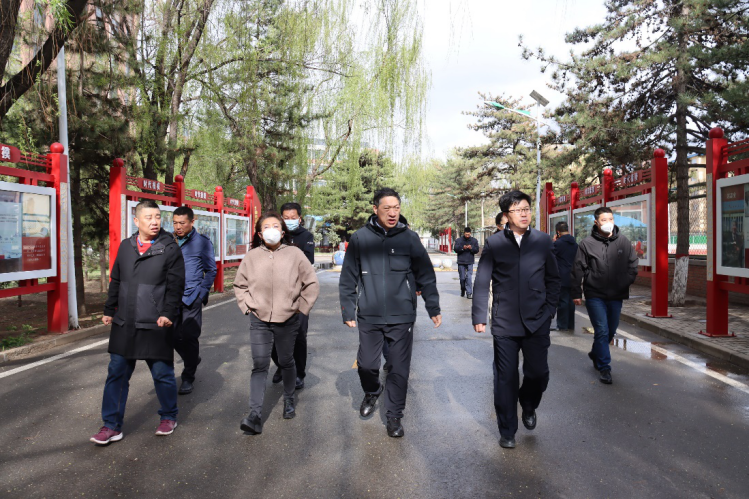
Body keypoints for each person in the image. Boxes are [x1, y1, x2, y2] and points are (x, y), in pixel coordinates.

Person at [339, 188, 441, 438]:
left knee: (398, 368)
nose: (393, 213)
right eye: (387, 208)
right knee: (366, 365)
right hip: (369, 314)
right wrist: (348, 310)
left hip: (402, 315)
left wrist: (433, 306)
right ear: (375, 209)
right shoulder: (360, 238)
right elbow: (348, 276)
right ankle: (373, 391)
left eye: (396, 208)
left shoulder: (410, 238)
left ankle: (394, 416)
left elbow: (426, 274)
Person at [90, 200, 185, 445]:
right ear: (136, 221)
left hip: (156, 322)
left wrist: (168, 313)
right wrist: (109, 309)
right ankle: (111, 425)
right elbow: (116, 280)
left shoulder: (169, 248)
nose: (154, 222)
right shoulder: (126, 246)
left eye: (157, 217)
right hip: (125, 322)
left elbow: (176, 286)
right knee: (116, 374)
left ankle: (168, 416)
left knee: (162, 374)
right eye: (148, 217)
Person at [472, 190, 560, 450]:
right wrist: (479, 315)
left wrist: (549, 310)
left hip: (537, 320)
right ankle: (507, 430)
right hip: (505, 322)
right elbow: (482, 281)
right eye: (518, 210)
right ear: (506, 215)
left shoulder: (543, 241)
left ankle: (529, 404)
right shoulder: (495, 243)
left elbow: (554, 279)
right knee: (505, 378)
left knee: (538, 373)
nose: (524, 214)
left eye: (526, 209)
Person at [234, 212, 320, 435]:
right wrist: (247, 306)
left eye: (276, 226)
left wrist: (301, 307)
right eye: (266, 227)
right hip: (259, 319)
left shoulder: (295, 254)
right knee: (259, 364)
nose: (271, 230)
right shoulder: (252, 257)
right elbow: (240, 285)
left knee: (286, 360)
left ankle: (289, 398)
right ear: (259, 234)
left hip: (288, 318)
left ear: (282, 232)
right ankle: (254, 415)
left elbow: (311, 283)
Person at [571, 207, 638, 385]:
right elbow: (578, 268)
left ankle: (596, 353)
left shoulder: (623, 242)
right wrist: (576, 292)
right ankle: (604, 367)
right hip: (595, 294)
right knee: (601, 330)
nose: (608, 223)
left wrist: (625, 282)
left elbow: (633, 264)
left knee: (610, 330)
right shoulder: (586, 244)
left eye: (610, 219)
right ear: (596, 222)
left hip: (617, 294)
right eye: (604, 220)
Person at [171, 206, 217, 395]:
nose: (178, 227)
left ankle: (188, 376)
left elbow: (211, 270)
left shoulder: (202, 242)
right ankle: (192, 358)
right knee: (172, 336)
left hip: (191, 297)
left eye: (182, 223)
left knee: (189, 336)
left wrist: (201, 293)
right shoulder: (168, 240)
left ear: (192, 221)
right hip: (171, 298)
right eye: (175, 223)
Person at [270, 202, 315, 390]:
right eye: (286, 218)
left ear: (300, 218)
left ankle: (299, 373)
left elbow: (307, 263)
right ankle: (282, 365)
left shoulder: (306, 236)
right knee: (273, 334)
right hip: (275, 295)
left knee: (299, 336)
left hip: (299, 295)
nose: (289, 221)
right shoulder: (273, 235)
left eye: (293, 218)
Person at [552, 221, 578, 332]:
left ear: (558, 232)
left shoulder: (558, 244)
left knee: (562, 301)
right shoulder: (575, 243)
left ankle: (562, 325)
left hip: (561, 275)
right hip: (574, 276)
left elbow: (550, 256)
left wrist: (553, 242)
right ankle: (570, 325)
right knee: (571, 302)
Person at [454, 227, 480, 299]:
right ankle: (463, 289)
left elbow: (477, 250)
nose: (467, 236)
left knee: (469, 277)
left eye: (468, 234)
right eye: (466, 234)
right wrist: (463, 248)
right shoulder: (458, 240)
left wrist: (471, 248)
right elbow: (455, 249)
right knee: (462, 278)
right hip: (461, 261)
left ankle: (469, 293)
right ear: (464, 233)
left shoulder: (474, 241)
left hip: (470, 261)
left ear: (470, 233)